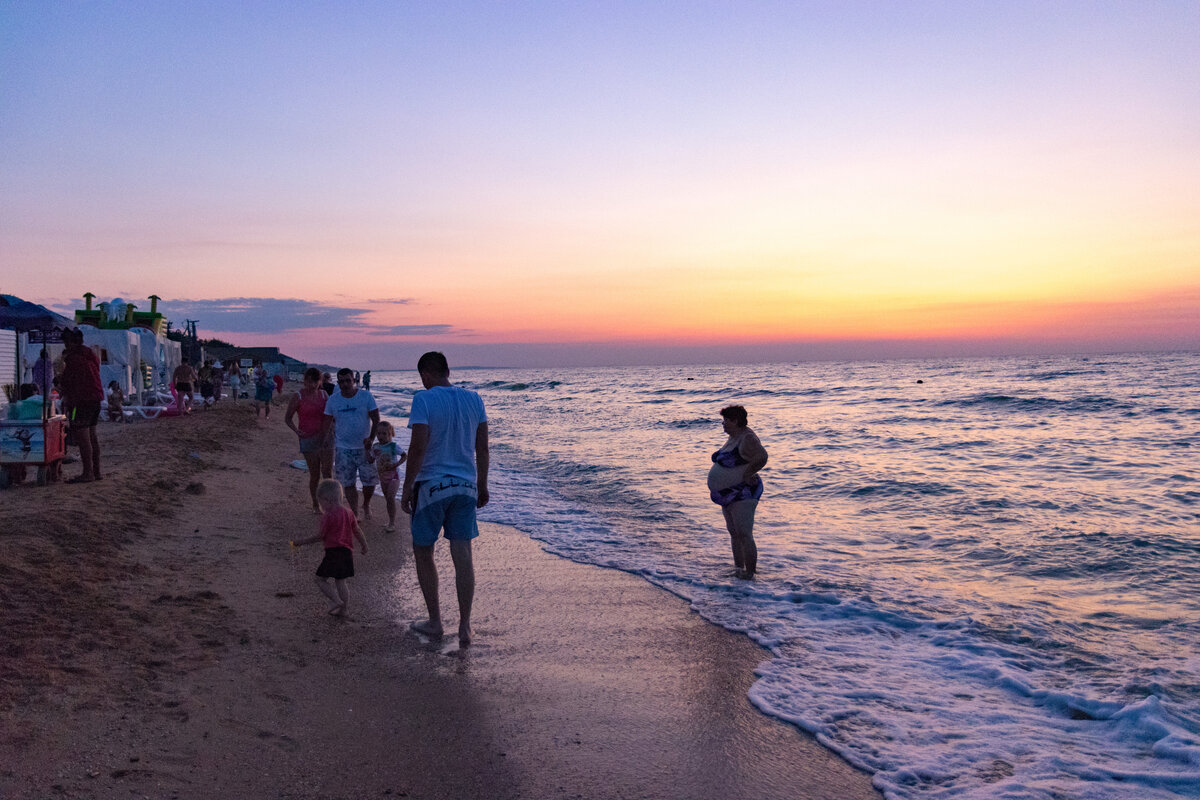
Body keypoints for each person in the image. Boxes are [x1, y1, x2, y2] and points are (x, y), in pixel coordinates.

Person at [401, 352, 489, 646]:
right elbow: (483, 449)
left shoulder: (424, 399)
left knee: (424, 551)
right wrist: (483, 484)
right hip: (465, 486)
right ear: (448, 370)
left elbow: (418, 447)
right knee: (463, 555)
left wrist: (407, 485)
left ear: (425, 374)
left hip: (432, 486)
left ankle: (435, 621)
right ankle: (465, 626)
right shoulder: (474, 399)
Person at [290, 479, 367, 617]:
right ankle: (345, 609)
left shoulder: (328, 516)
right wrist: (364, 545)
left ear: (328, 500)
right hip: (347, 552)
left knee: (320, 579)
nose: (321, 506)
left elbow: (320, 536)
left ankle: (336, 600)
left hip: (333, 553)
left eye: (321, 502)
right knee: (341, 581)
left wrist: (301, 542)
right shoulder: (349, 513)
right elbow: (357, 530)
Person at [707, 405, 768, 579]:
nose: (723, 424)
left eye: (726, 421)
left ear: (735, 421)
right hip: (728, 494)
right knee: (734, 533)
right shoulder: (734, 437)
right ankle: (738, 570)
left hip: (743, 493)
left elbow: (762, 457)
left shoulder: (747, 437)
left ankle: (750, 575)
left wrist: (748, 474)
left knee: (744, 534)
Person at [322, 367, 380, 521]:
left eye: (348, 380)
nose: (345, 384)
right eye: (341, 382)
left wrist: (372, 438)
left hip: (364, 448)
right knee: (348, 483)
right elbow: (326, 423)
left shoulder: (366, 396)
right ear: (338, 383)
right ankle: (355, 512)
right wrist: (324, 442)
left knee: (369, 482)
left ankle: (366, 504)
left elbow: (376, 419)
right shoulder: (333, 400)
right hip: (343, 449)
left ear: (354, 380)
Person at [285, 367, 333, 512]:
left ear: (320, 381)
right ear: (304, 380)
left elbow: (330, 415)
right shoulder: (298, 396)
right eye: (308, 381)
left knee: (327, 472)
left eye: (315, 382)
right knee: (315, 473)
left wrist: (334, 428)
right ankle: (315, 502)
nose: (312, 385)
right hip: (308, 438)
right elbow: (288, 418)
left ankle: (330, 502)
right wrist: (296, 430)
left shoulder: (324, 395)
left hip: (326, 437)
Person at [60, 328, 104, 483]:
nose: (65, 345)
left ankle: (88, 472)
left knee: (83, 436)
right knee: (92, 435)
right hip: (95, 398)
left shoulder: (74, 359)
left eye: (66, 342)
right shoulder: (90, 355)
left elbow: (68, 380)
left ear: (71, 342)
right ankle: (96, 471)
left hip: (82, 400)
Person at [370, 421, 406, 532]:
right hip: (382, 477)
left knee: (390, 497)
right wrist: (367, 449)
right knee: (388, 500)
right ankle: (390, 520)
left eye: (384, 434)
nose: (381, 436)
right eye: (379, 433)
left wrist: (396, 464)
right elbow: (370, 459)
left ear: (390, 434)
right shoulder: (375, 447)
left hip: (394, 477)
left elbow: (404, 456)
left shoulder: (393, 446)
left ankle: (392, 523)